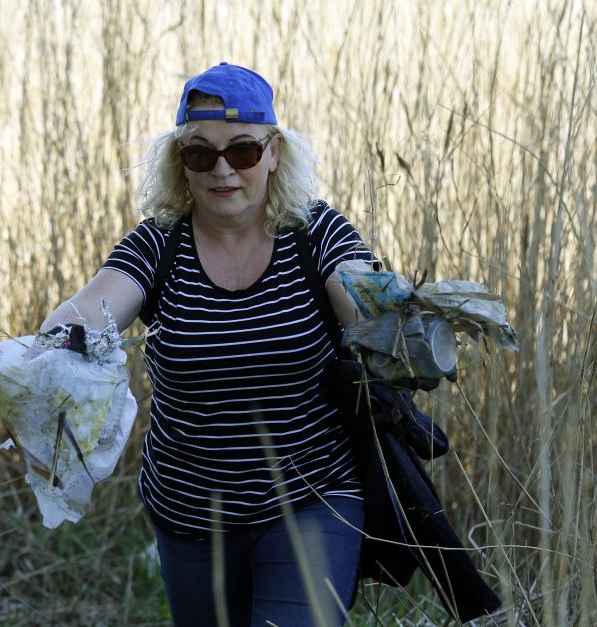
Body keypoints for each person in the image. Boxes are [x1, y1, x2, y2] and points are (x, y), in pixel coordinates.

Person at [41, 62, 376, 627]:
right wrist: (52, 345)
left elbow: (363, 297)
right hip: (192, 511)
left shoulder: (316, 232)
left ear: (273, 152)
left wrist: (391, 321)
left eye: (242, 151)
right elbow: (90, 309)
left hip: (311, 494)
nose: (223, 170)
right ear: (181, 162)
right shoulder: (157, 244)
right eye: (201, 154)